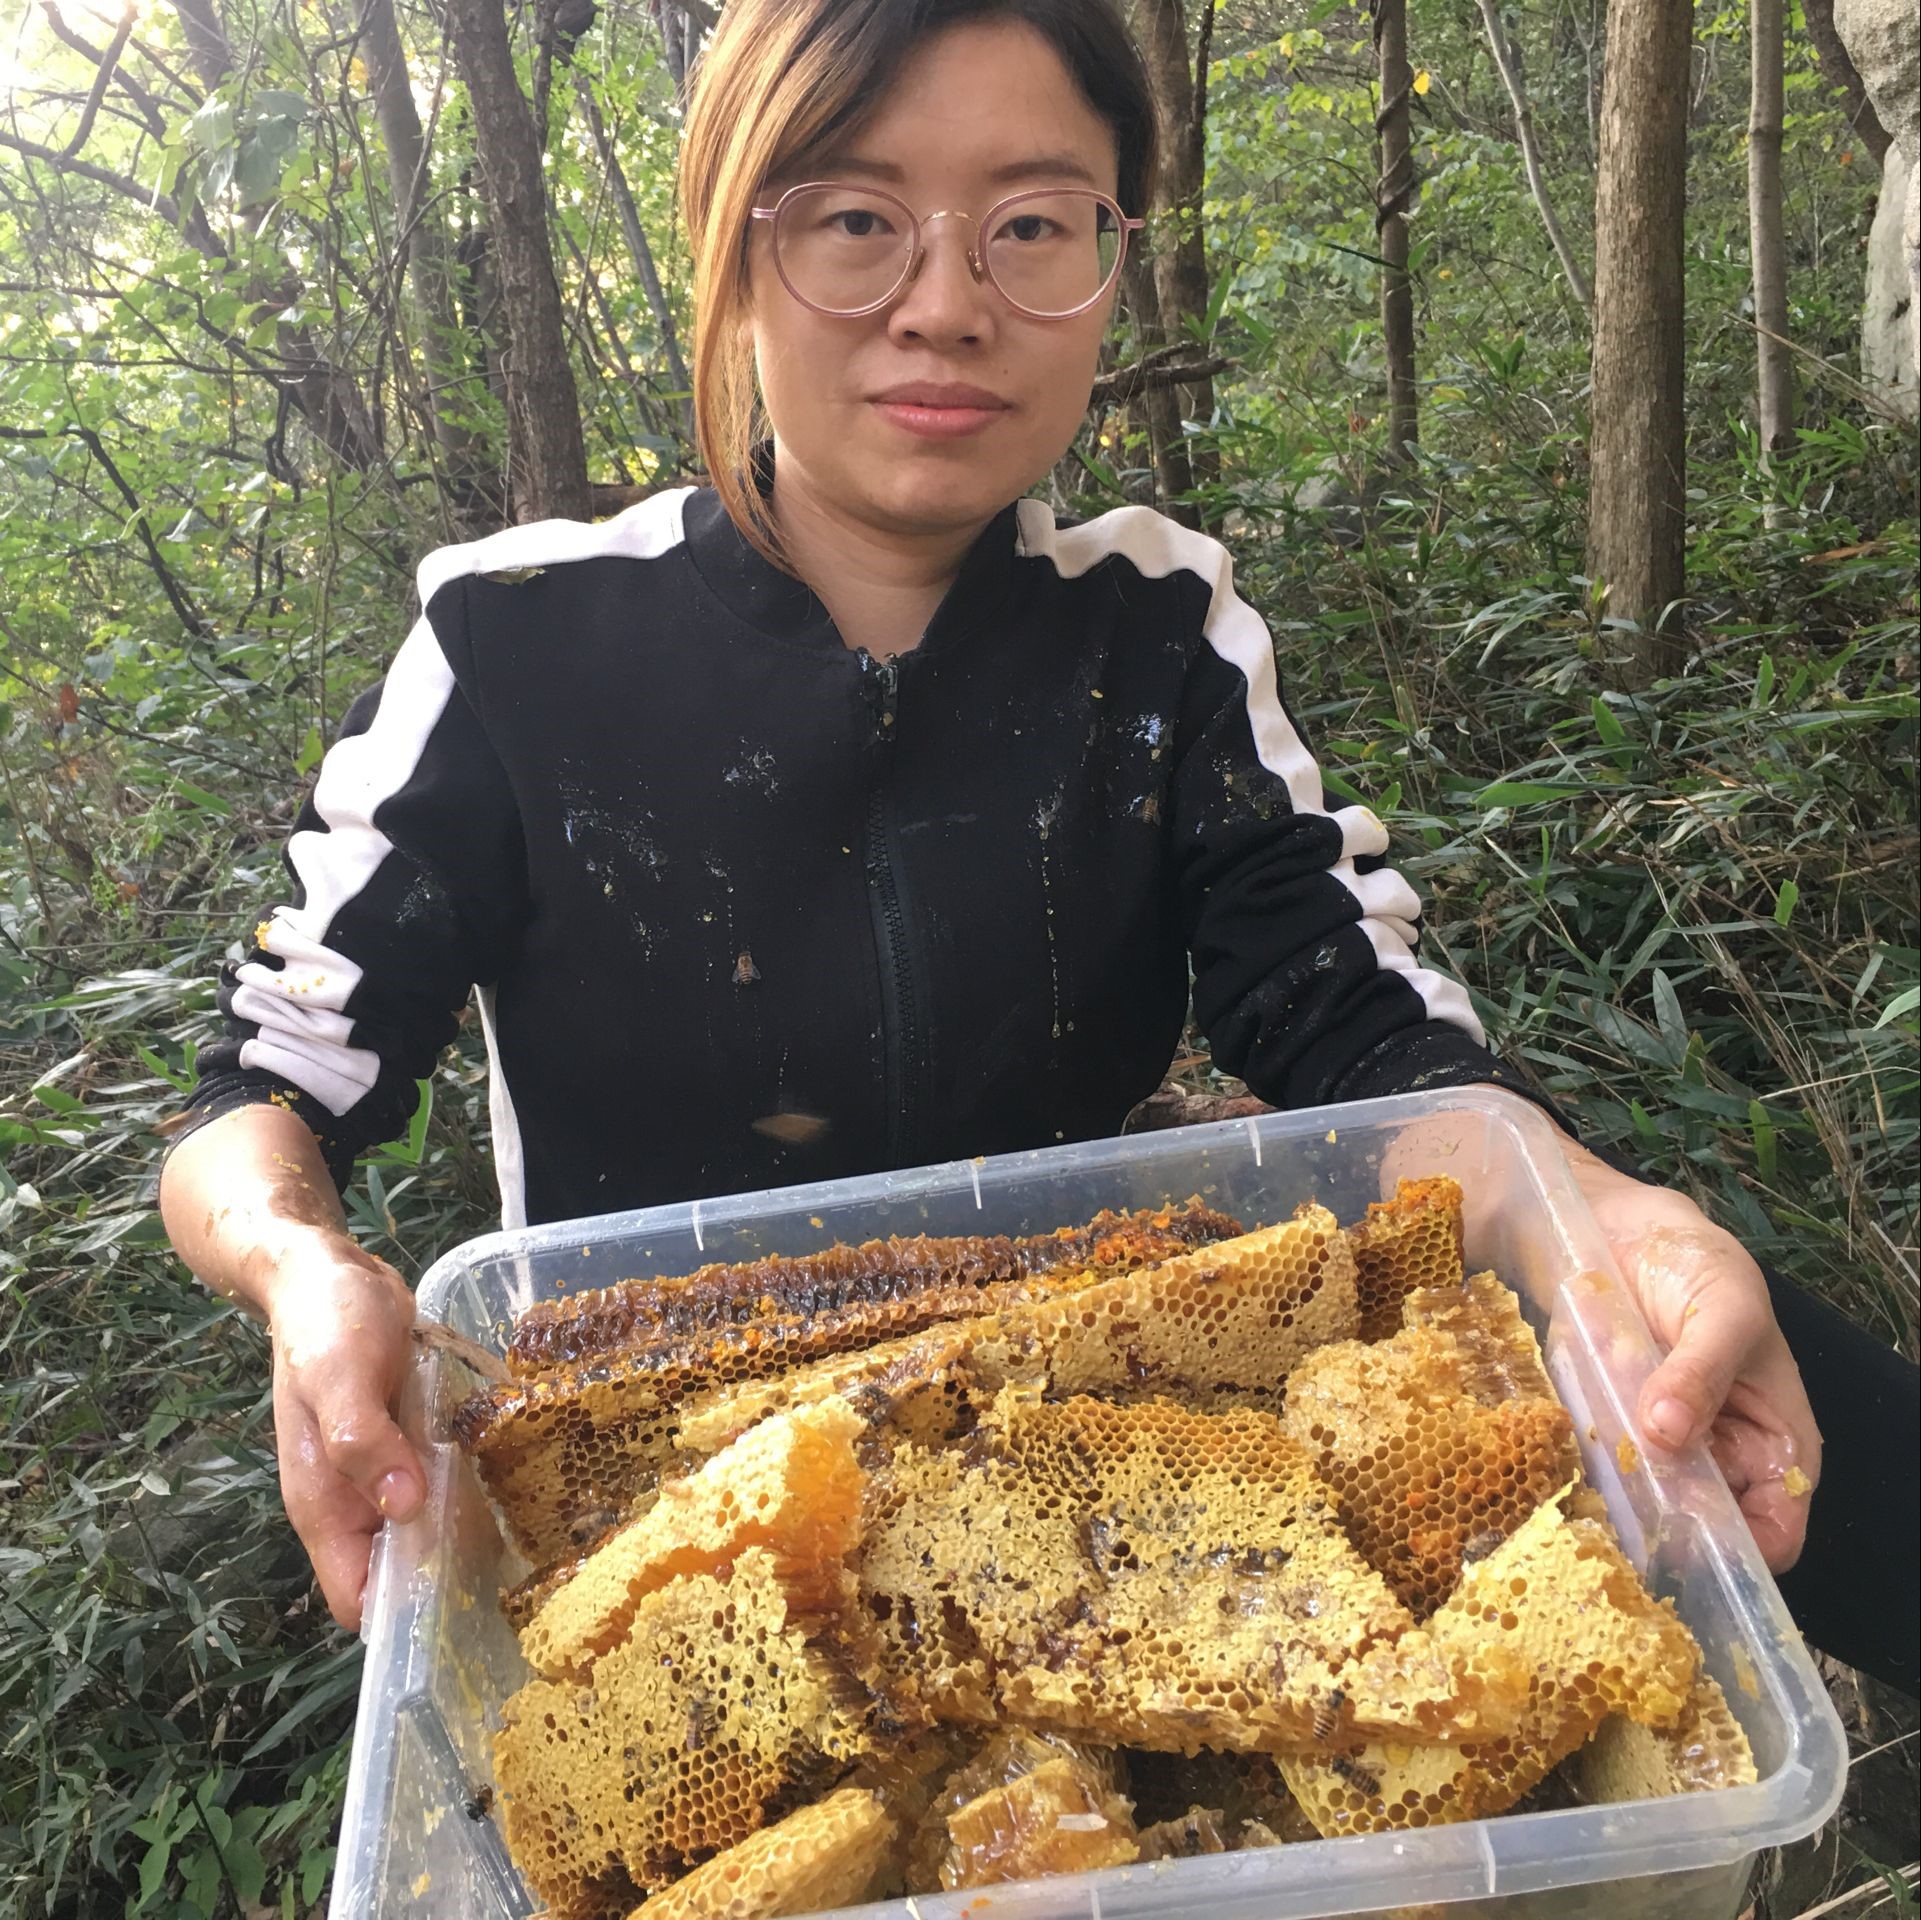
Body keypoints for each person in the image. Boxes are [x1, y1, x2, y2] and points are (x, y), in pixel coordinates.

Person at [156, 0, 1909, 1696]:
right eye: (853, 218)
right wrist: (302, 1263)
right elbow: (270, 1087)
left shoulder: (1155, 629)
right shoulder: (519, 641)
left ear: (1107, 263)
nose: (946, 306)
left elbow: (1360, 1031)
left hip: (1089, 1440)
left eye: (1031, 225)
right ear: (732, 250)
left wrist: (1595, 1205)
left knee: (1703, 1320)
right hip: (655, 1462)